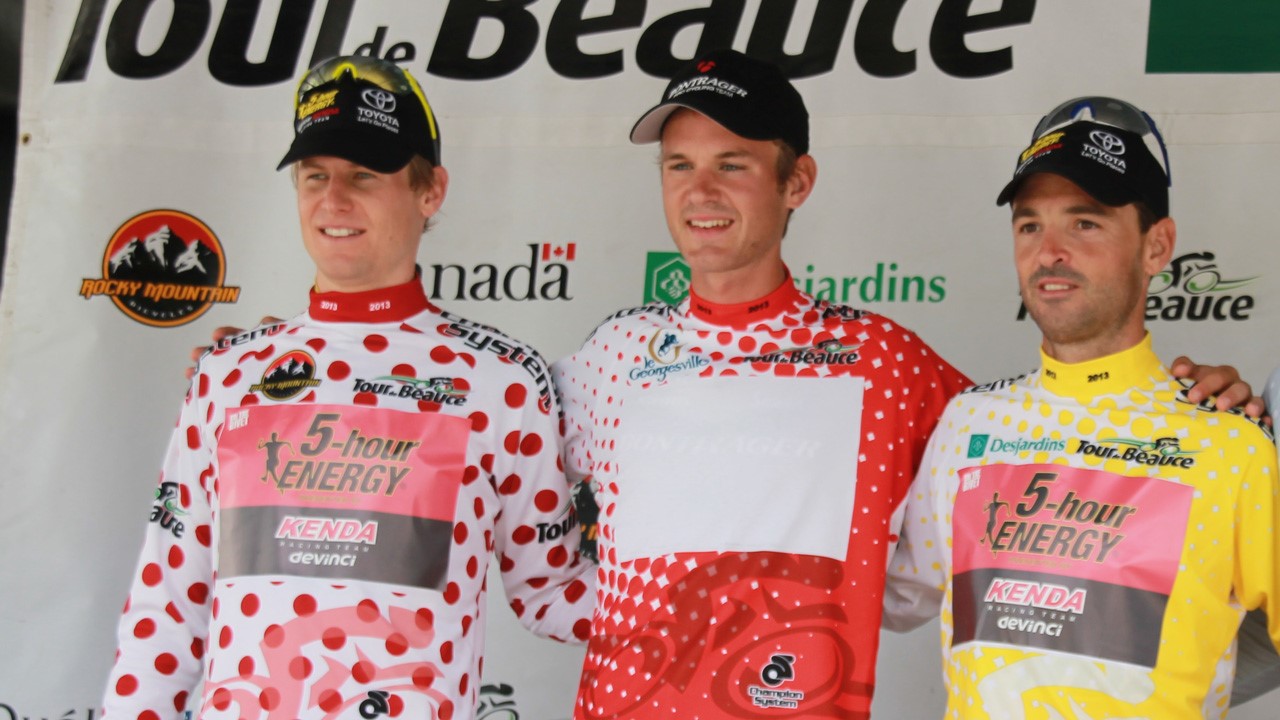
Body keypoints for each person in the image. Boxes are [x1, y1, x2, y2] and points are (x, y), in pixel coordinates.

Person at [101, 55, 593, 720]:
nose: (333, 200)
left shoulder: (501, 381)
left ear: (431, 191)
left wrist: (706, 589)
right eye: (315, 176)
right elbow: (165, 609)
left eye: (364, 175)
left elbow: (553, 591)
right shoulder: (228, 374)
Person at [552, 48, 972, 719]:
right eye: (679, 165)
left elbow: (1016, 457)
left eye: (732, 165)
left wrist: (876, 587)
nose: (700, 192)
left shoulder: (882, 361)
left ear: (797, 181)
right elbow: (500, 466)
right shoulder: (615, 353)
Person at [883, 96, 1280, 718]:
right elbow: (895, 595)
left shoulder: (1233, 443)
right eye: (1029, 225)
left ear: (1157, 246)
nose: (1049, 251)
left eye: (1085, 223)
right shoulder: (966, 423)